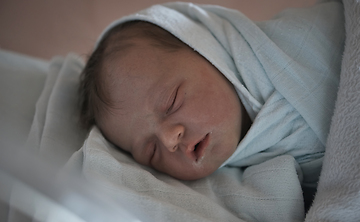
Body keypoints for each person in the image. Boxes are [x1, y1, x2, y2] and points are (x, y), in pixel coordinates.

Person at [79, 2, 344, 185]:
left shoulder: (309, 43)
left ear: (208, 50)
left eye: (172, 101)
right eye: (151, 151)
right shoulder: (262, 184)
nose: (170, 140)